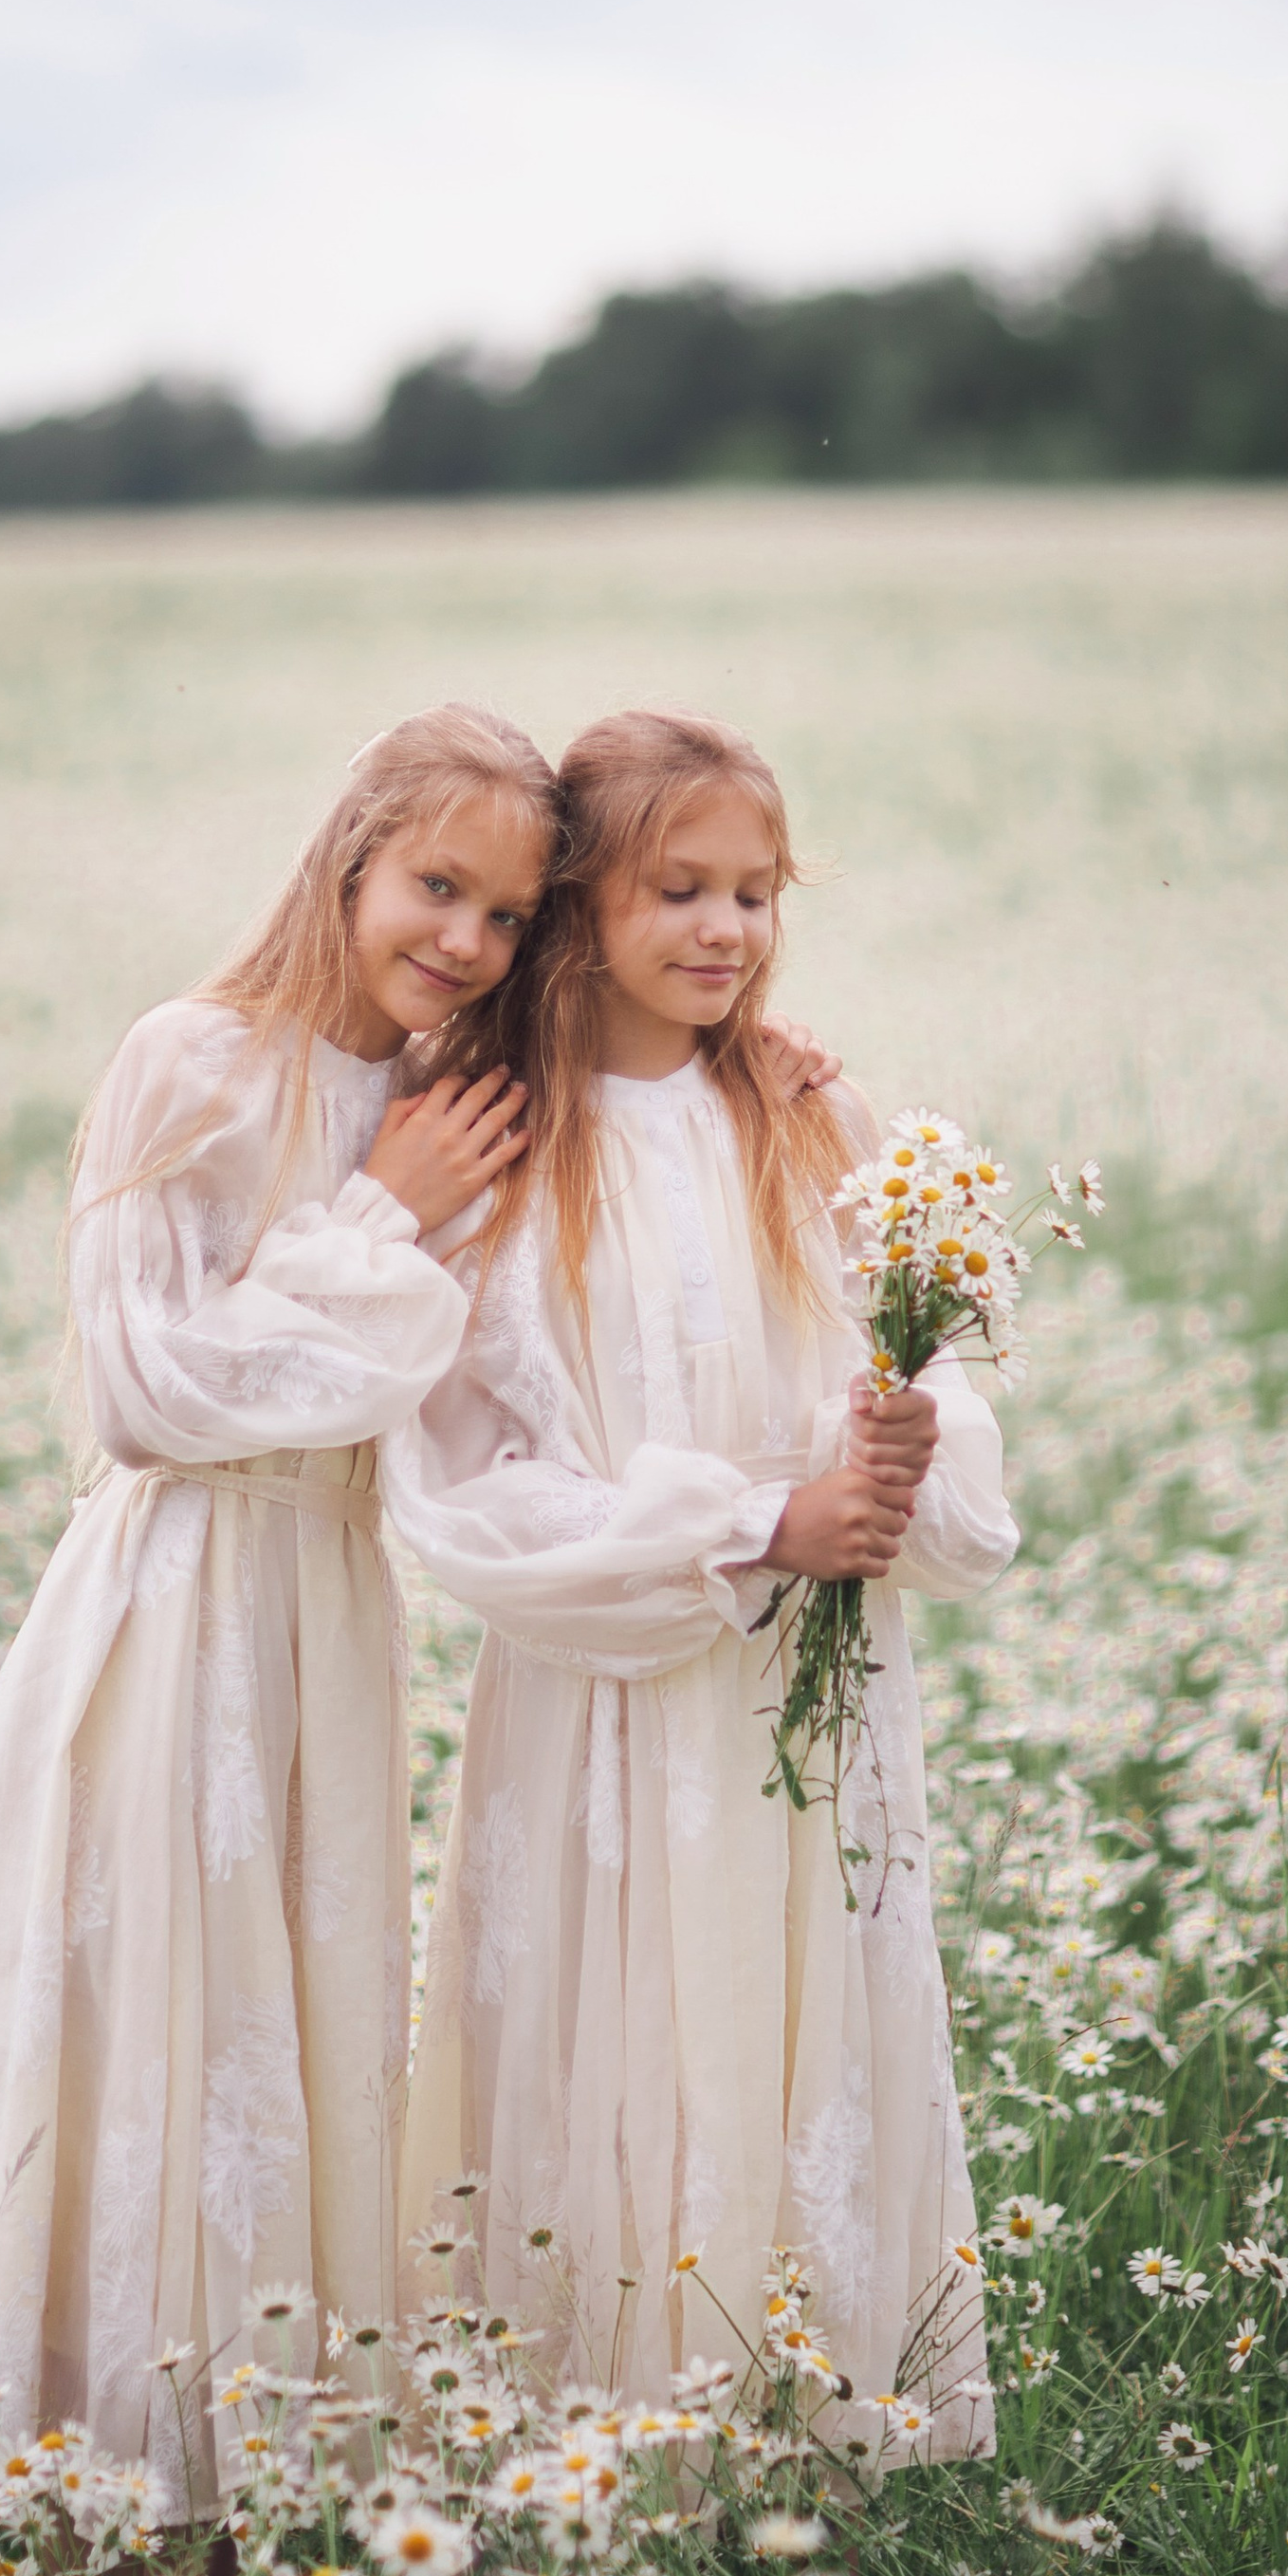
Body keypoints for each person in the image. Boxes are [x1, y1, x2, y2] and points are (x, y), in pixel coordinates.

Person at [0, 705, 549, 2513]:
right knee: (150, 2051)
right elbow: (146, 1392)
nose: (465, 944)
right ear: (350, 854)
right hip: (175, 1605)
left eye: (505, 917)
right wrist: (373, 1220)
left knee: (291, 2056)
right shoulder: (189, 1058)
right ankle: (92, 2559)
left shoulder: (457, 1103)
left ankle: (255, 2546)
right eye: (437, 886)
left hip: (331, 1618)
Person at [386, 708, 1015, 2457]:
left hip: (817, 1698)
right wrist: (754, 1533)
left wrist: (906, 1456)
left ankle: (807, 2427)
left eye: (755, 893)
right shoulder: (502, 1144)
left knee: (802, 2022)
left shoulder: (815, 1118)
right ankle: (612, 2440)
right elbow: (478, 1494)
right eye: (680, 888)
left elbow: (932, 1382)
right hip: (620, 1705)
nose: (726, 930)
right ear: (579, 900)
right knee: (627, 2045)